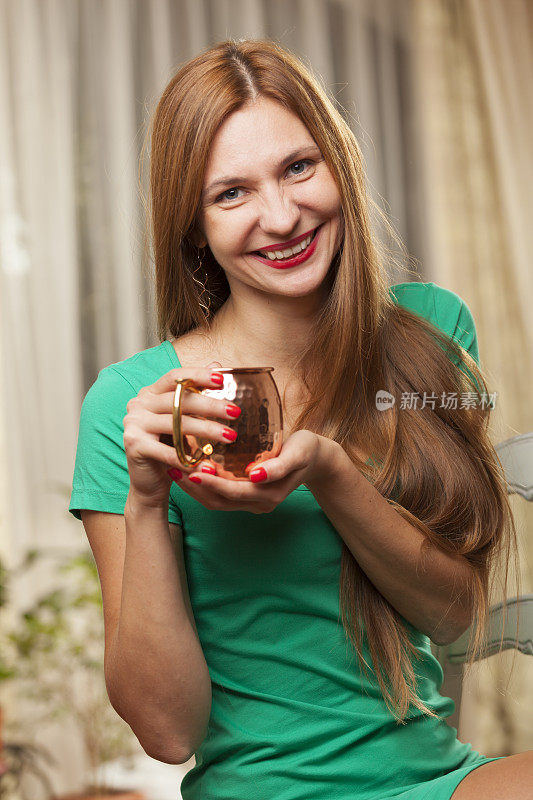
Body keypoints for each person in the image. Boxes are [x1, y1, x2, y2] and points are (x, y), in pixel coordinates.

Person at [69, 38, 532, 800]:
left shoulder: (429, 337)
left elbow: (458, 620)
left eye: (297, 167)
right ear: (194, 227)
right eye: (231, 194)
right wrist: (147, 502)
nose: (281, 217)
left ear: (339, 169)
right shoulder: (135, 403)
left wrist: (329, 471)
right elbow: (166, 731)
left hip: (439, 779)